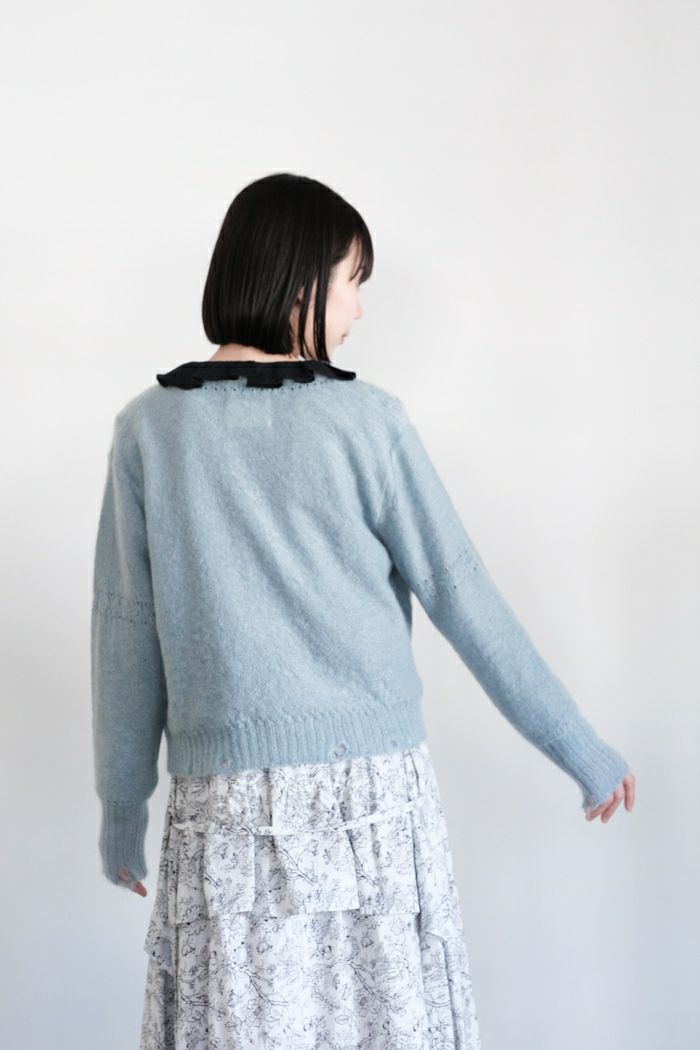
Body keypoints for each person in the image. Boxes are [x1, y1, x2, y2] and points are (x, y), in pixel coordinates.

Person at [90, 172, 635, 1049]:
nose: (359, 308)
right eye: (353, 281)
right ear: (298, 281)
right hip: (370, 806)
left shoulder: (149, 431)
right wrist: (578, 747)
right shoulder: (369, 423)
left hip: (227, 816)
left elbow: (125, 634)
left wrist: (123, 808)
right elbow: (462, 592)